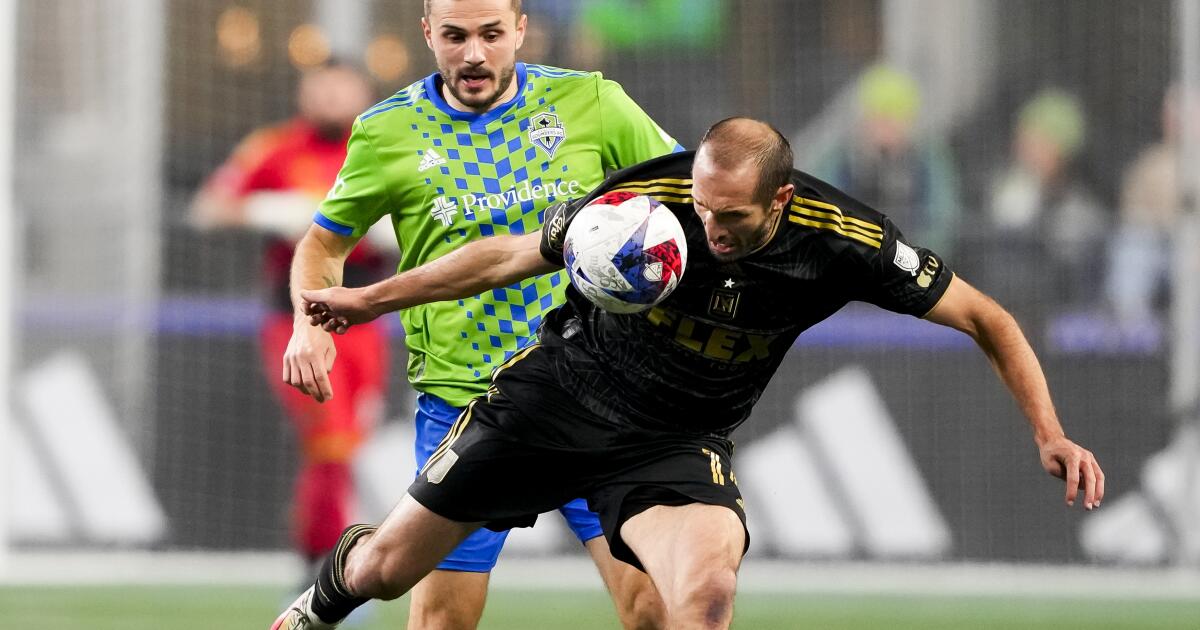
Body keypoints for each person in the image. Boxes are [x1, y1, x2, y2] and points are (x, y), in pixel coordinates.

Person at [274, 117, 1106, 630]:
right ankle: (322, 600)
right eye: (700, 206)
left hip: (671, 444)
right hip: (554, 402)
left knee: (702, 601)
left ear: (779, 204)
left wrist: (1051, 431)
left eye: (730, 216)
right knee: (386, 573)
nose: (703, 226)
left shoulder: (843, 239)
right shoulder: (652, 198)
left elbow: (988, 318)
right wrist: (370, 299)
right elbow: (508, 257)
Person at [280, 0, 682, 627]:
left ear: (521, 30)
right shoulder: (387, 132)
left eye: (492, 34)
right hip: (465, 406)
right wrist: (309, 326)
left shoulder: (591, 102)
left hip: (591, 396)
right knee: (443, 621)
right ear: (427, 35)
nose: (474, 53)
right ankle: (334, 589)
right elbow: (322, 245)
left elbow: (685, 192)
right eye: (456, 36)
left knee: (658, 609)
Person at [190, 61, 390, 578]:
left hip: (369, 321)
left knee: (345, 444)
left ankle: (326, 560)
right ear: (302, 93)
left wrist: (387, 230)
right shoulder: (275, 148)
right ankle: (323, 567)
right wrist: (270, 211)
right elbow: (209, 208)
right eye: (319, 87)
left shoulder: (387, 147)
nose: (329, 97)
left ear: (364, 94)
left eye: (341, 88)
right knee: (331, 439)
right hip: (297, 321)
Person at [811, 63, 960, 256]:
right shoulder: (841, 162)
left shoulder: (928, 161)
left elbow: (943, 219)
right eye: (877, 119)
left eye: (893, 120)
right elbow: (821, 214)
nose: (885, 129)